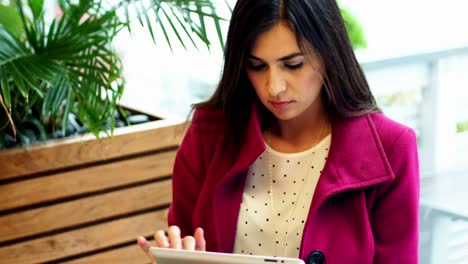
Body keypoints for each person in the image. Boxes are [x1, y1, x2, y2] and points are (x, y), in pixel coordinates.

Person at [137, 0, 420, 263]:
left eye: (293, 65)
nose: (274, 87)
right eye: (257, 66)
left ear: (330, 54)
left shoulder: (391, 147)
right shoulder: (208, 133)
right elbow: (184, 237)